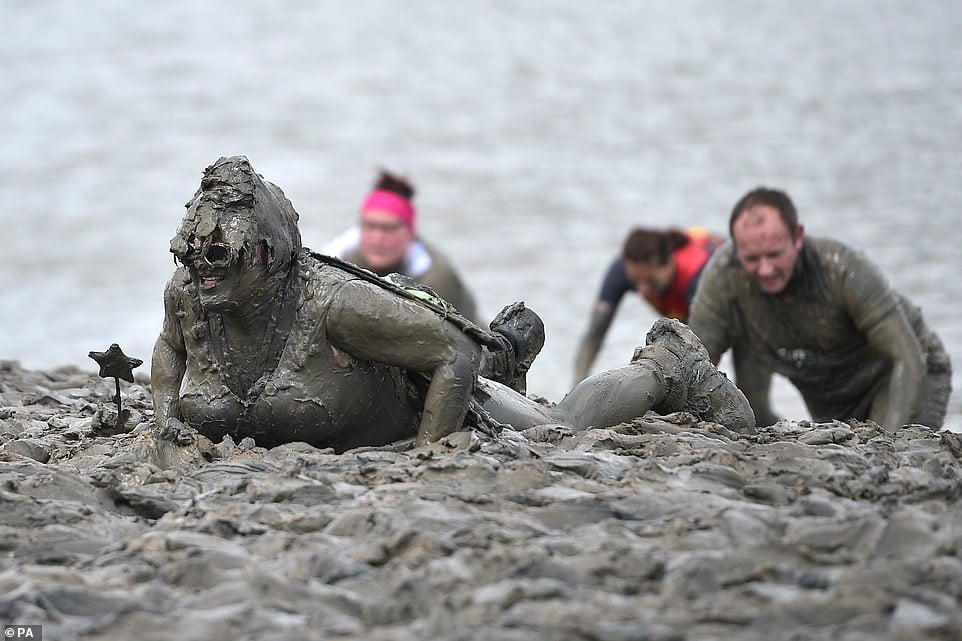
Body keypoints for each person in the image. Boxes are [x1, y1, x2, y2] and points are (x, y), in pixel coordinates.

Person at [151, 156, 756, 453]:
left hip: (444, 388)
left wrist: (430, 455)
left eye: (222, 262)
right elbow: (168, 349)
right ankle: (510, 348)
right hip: (405, 348)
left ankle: (667, 364)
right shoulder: (194, 296)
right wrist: (166, 421)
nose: (205, 279)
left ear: (265, 255)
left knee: (559, 431)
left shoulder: (336, 305)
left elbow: (452, 354)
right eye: (196, 261)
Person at [688, 187, 952, 431]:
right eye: (752, 259)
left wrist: (889, 444)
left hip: (905, 371)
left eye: (775, 255)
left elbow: (906, 358)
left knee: (888, 456)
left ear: (798, 237)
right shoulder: (723, 281)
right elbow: (695, 364)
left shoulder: (841, 270)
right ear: (736, 249)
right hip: (832, 395)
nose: (766, 269)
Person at [322, 169, 480, 323]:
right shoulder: (334, 265)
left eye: (389, 228)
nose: (378, 237)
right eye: (370, 226)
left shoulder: (436, 276)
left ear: (410, 233)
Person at [573, 226, 724, 384]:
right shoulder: (622, 271)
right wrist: (576, 390)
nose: (643, 291)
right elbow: (594, 334)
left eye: (651, 281)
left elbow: (707, 351)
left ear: (670, 262)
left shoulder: (696, 279)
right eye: (635, 282)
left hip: (730, 297)